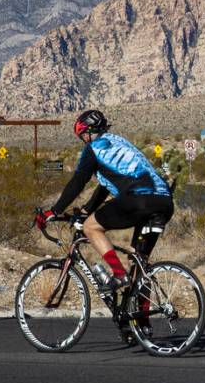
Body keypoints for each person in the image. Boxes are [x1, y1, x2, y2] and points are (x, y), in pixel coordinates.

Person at [44, 110, 173, 339]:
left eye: (82, 135)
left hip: (139, 199)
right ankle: (141, 326)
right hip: (163, 202)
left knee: (91, 228)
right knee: (139, 266)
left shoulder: (94, 149)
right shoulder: (120, 143)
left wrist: (54, 211)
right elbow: (105, 186)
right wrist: (85, 210)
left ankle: (116, 272)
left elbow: (78, 181)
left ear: (88, 133)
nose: (82, 140)